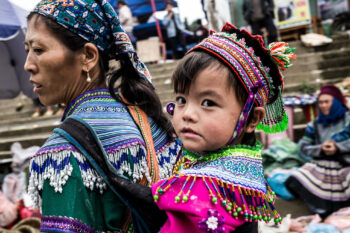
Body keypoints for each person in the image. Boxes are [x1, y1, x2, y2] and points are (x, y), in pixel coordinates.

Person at [25, 0, 181, 232]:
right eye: (27, 51)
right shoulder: (148, 118)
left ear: (88, 56)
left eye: (38, 50)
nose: (28, 64)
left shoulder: (61, 152)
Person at [150, 23, 295, 232]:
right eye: (181, 99)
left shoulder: (211, 188)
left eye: (208, 103)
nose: (187, 114)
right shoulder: (241, 172)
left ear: (252, 119)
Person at [285, 84, 350, 218]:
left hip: (345, 163)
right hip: (323, 164)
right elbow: (303, 147)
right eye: (320, 102)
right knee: (296, 179)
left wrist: (338, 147)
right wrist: (320, 148)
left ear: (337, 102)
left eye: (327, 101)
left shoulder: (348, 120)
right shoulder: (314, 124)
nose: (323, 105)